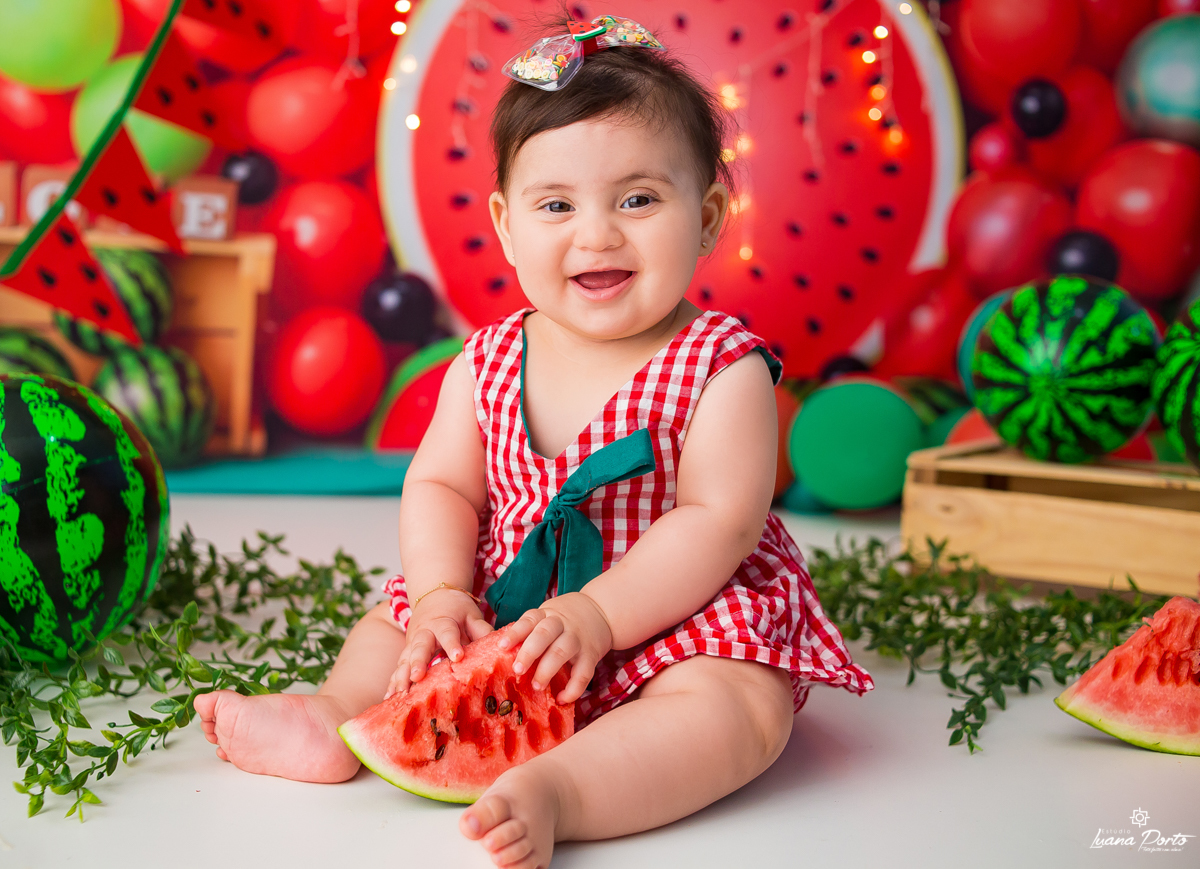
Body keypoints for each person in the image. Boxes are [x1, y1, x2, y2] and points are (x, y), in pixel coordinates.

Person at [195, 16, 872, 869]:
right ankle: (337, 718)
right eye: (557, 205)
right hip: (508, 606)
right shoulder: (486, 359)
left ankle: (569, 790)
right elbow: (442, 487)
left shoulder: (722, 367)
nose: (596, 234)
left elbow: (718, 522)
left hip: (675, 614)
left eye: (638, 199)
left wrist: (598, 613)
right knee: (390, 626)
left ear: (705, 218)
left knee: (740, 708)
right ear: (507, 226)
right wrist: (443, 594)